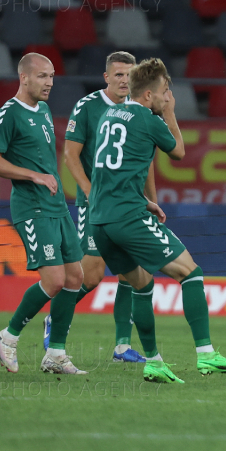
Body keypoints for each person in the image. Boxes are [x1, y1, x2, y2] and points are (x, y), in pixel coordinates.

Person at [88, 58, 226, 383]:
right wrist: (170, 114)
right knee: (191, 273)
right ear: (147, 96)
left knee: (141, 284)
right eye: (164, 92)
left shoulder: (109, 115)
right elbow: (179, 152)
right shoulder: (147, 118)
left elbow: (110, 170)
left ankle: (154, 362)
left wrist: (144, 201)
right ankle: (206, 355)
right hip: (126, 217)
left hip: (100, 220)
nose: (167, 97)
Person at [51, 51, 155, 363]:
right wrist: (89, 191)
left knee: (131, 272)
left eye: (130, 74)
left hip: (130, 204)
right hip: (95, 204)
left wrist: (152, 200)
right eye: (119, 74)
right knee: (93, 275)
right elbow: (70, 155)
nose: (125, 80)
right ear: (106, 77)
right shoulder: (88, 106)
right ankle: (53, 320)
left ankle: (122, 346)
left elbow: (147, 162)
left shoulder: (138, 109)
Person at [0, 53, 86, 375]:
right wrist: (33, 175)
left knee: (75, 277)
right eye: (43, 76)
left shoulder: (42, 110)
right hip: (32, 206)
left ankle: (55, 353)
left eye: (52, 76)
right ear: (24, 78)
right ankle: (9, 336)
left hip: (56, 206)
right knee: (55, 279)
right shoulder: (7, 114)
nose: (50, 83)